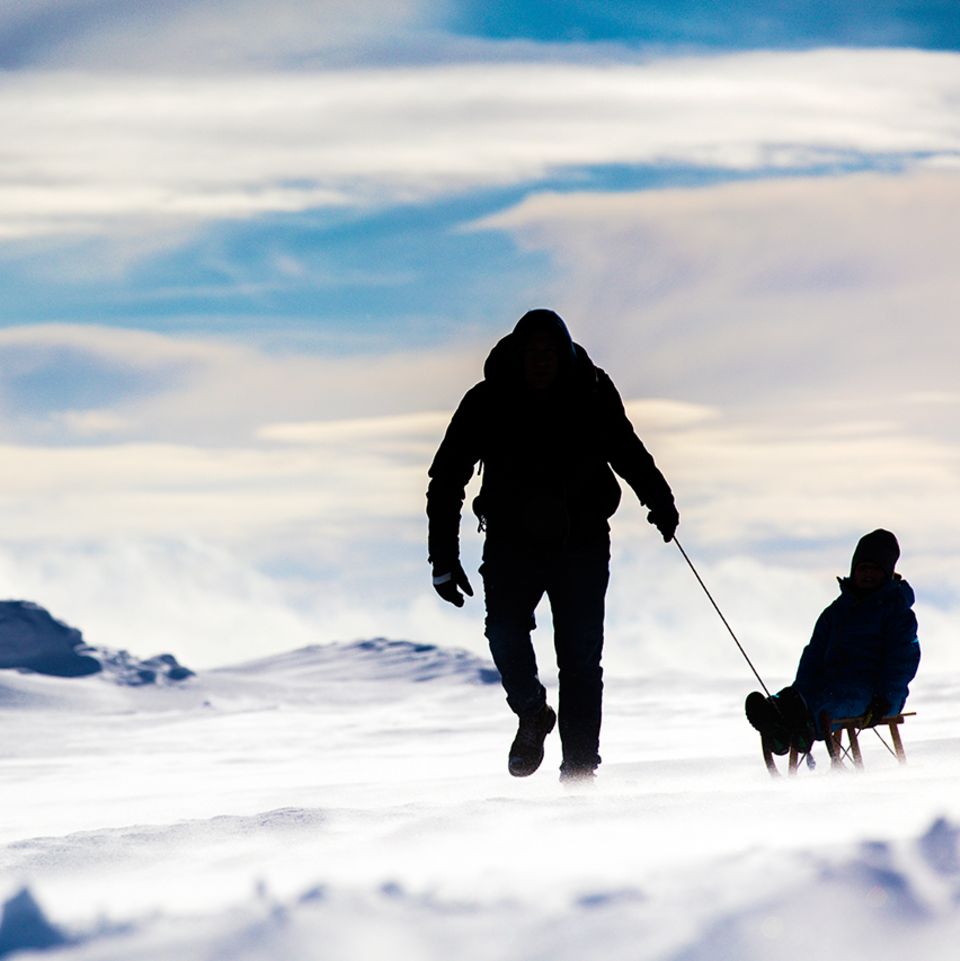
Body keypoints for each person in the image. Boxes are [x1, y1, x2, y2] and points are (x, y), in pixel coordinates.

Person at [426, 309, 679, 782]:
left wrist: (659, 499)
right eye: (532, 352)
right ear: (518, 354)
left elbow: (626, 448)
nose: (540, 361)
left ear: (563, 354)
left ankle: (580, 773)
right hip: (510, 543)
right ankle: (532, 711)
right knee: (503, 632)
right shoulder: (487, 401)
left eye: (549, 351)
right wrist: (443, 557)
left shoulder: (592, 391)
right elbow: (447, 478)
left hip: (581, 542)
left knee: (580, 660)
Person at [746, 529, 921, 754]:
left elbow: (902, 661)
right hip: (830, 684)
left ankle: (801, 729)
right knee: (800, 698)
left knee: (828, 702)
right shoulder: (836, 612)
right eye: (863, 568)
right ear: (853, 571)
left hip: (873, 695)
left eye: (875, 570)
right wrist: (801, 687)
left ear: (887, 574)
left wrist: (884, 699)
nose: (868, 574)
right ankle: (778, 720)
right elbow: (814, 653)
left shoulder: (897, 613)